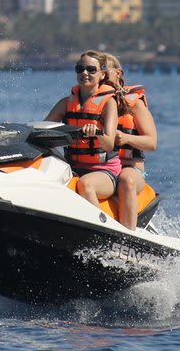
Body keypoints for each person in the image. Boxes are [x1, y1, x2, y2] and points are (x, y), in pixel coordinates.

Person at [45, 50, 121, 208]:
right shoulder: (65, 103)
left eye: (91, 70)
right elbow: (43, 131)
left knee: (85, 184)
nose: (84, 73)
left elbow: (109, 144)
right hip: (72, 166)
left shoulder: (108, 103)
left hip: (104, 171)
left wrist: (97, 133)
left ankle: (99, 231)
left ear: (101, 75)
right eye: (80, 69)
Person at [103, 53, 158, 230]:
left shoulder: (133, 104)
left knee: (126, 179)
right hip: (101, 168)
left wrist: (125, 138)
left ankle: (128, 236)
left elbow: (152, 142)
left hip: (130, 169)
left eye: (105, 69)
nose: (100, 73)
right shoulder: (91, 102)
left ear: (118, 73)